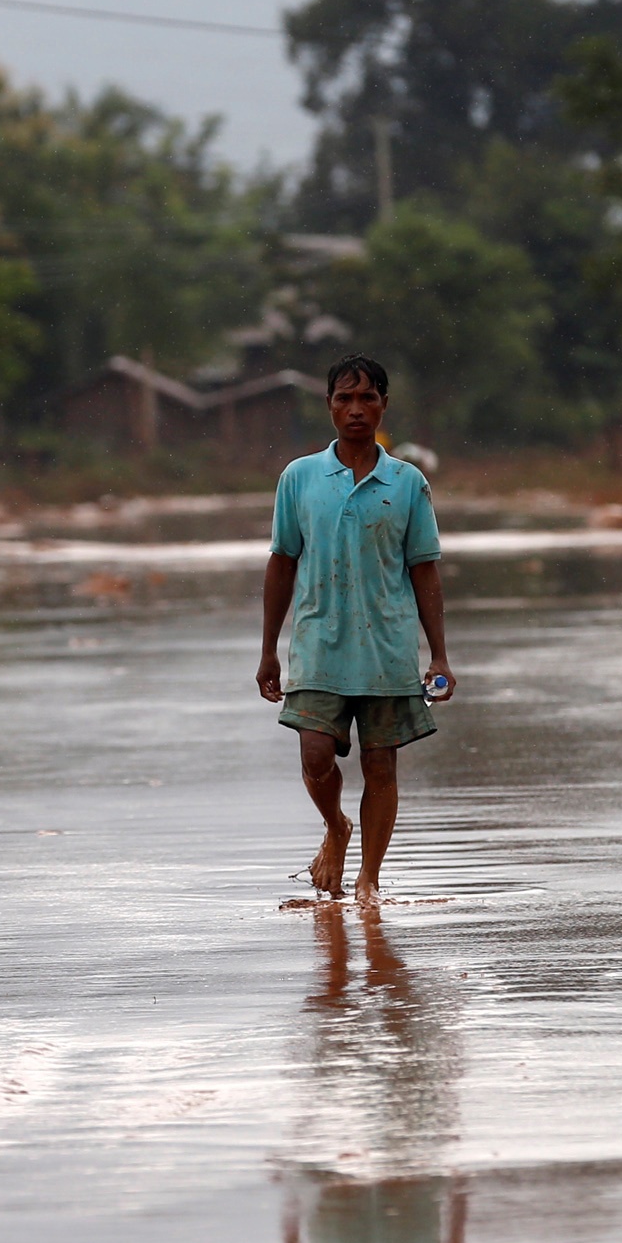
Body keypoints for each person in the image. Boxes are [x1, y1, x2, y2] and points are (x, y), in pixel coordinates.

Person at [257, 355, 454, 897]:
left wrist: (438, 656)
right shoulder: (299, 478)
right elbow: (282, 563)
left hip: (387, 645)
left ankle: (368, 880)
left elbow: (424, 569)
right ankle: (336, 826)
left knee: (380, 764)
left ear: (384, 406)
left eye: (368, 399)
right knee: (315, 756)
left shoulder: (407, 482)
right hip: (318, 641)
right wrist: (269, 649)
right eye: (344, 399)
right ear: (329, 407)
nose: (356, 409)